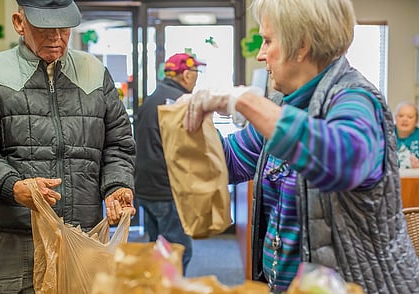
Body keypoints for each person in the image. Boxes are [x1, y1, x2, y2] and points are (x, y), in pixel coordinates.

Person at [180, 0, 419, 292]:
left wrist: (247, 101)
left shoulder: (357, 99)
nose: (260, 54)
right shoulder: (283, 104)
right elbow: (227, 163)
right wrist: (194, 124)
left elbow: (341, 161)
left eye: (268, 41)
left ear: (301, 44)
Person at [0, 0, 136, 293]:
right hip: (15, 234)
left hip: (82, 232)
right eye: (44, 27)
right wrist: (14, 187)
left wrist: (117, 185)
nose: (56, 37)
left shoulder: (94, 73)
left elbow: (118, 143)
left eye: (63, 28)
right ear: (19, 22)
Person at [134, 53, 205, 273]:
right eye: (196, 73)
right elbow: (186, 150)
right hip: (167, 190)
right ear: (185, 74)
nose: (196, 78)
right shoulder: (180, 103)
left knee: (159, 251)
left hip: (146, 187)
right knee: (178, 253)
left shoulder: (154, 97)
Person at [394, 101, 419, 168]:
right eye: (401, 116)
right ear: (395, 118)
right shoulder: (384, 135)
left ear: (416, 121)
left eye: (410, 117)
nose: (405, 119)